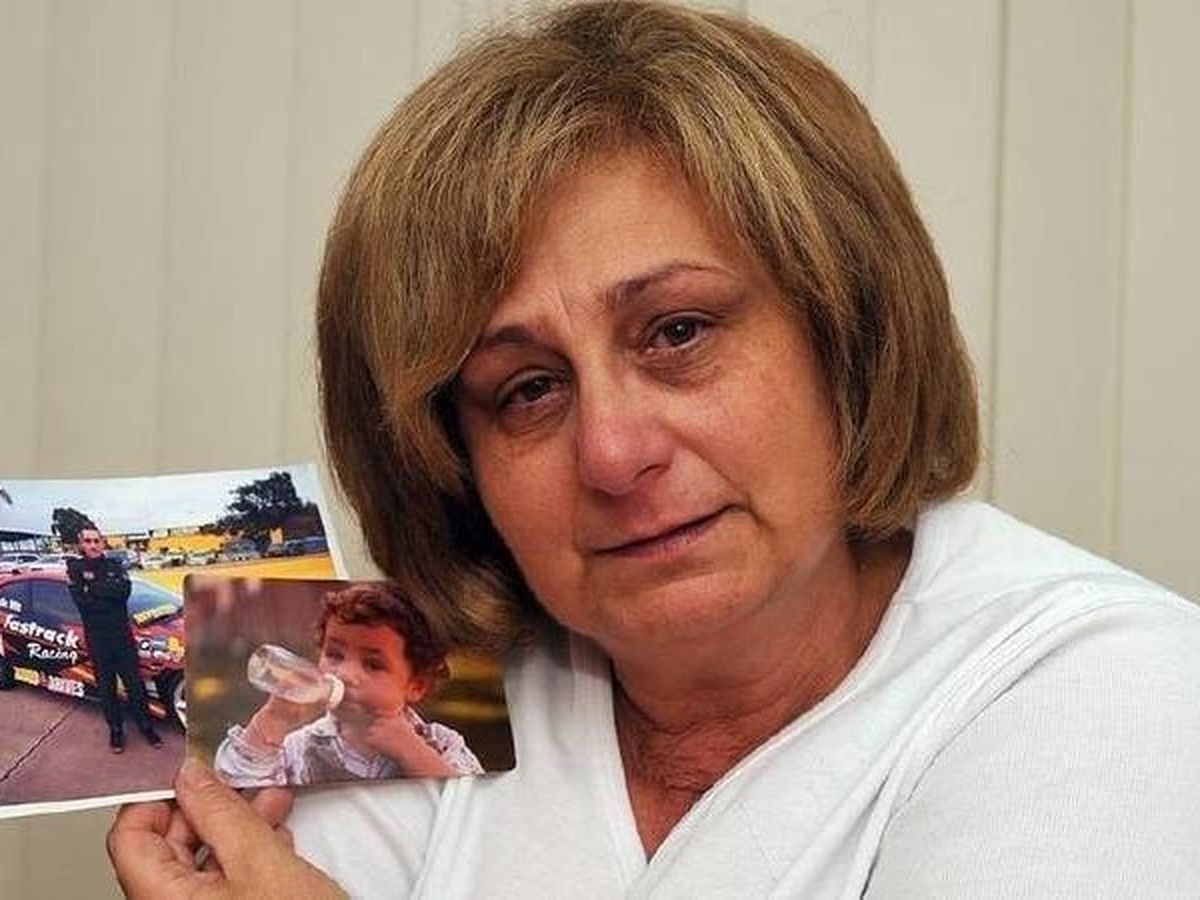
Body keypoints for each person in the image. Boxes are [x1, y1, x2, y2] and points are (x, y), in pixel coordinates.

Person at [109, 2, 1200, 897]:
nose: (614, 452)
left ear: (847, 334)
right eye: (527, 390)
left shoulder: (1110, 688)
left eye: (678, 333)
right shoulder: (437, 686)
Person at [214, 583, 482, 786]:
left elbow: (473, 806)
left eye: (373, 664)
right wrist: (273, 720)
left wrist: (412, 752)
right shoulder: (301, 747)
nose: (345, 674)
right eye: (334, 655)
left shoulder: (439, 743)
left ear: (416, 685)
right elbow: (236, 784)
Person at [66, 527, 162, 753]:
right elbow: (83, 604)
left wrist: (93, 588)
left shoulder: (115, 565)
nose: (93, 545)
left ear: (102, 542)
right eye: (88, 541)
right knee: (106, 687)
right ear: (81, 544)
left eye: (96, 540)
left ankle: (146, 726)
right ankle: (116, 730)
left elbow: (123, 593)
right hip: (98, 639)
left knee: (135, 685)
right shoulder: (75, 569)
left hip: (122, 636)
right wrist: (108, 592)